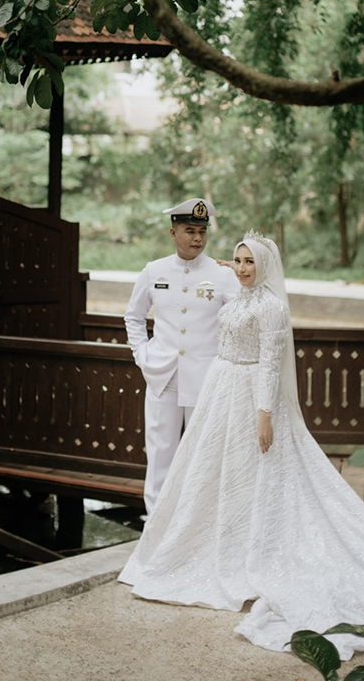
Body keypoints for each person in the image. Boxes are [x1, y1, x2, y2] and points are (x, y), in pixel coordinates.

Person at [120, 231, 364, 659]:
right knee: (217, 474)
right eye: (238, 261)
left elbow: (270, 362)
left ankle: (254, 553)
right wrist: (231, 266)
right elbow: (221, 292)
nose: (242, 268)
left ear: (266, 266)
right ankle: (217, 545)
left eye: (250, 262)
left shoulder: (271, 307)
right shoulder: (239, 293)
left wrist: (264, 412)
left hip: (250, 396)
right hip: (221, 391)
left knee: (256, 472)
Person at [124, 198, 239, 513]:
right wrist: (142, 354)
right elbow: (133, 317)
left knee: (204, 453)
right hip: (163, 375)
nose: (198, 238)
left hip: (205, 378)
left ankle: (197, 521)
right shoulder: (154, 271)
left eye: (202, 231)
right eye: (190, 231)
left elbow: (243, 319)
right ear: (173, 232)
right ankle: (156, 521)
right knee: (160, 451)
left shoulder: (222, 274)